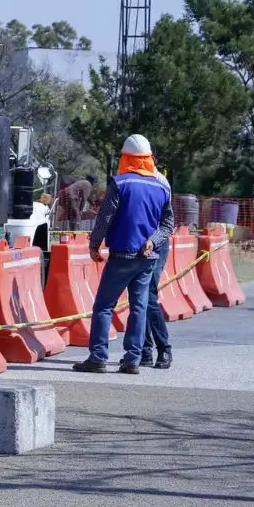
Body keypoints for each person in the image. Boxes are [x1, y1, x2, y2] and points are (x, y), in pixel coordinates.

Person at [73, 134, 174, 374]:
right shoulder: (162, 186)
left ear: (126, 158)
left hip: (122, 255)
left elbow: (105, 217)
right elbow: (168, 223)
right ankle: (133, 360)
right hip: (147, 258)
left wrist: (94, 245)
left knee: (104, 306)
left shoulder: (120, 183)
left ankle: (98, 357)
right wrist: (153, 241)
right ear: (149, 158)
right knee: (138, 307)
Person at [142, 161, 173, 369]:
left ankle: (164, 350)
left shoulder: (160, 182)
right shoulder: (128, 177)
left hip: (157, 243)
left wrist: (153, 241)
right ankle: (144, 352)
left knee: (148, 295)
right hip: (136, 245)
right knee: (138, 296)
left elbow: (166, 222)